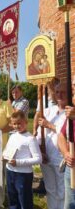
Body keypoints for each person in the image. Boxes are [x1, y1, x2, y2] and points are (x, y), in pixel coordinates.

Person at [3, 111, 42, 209]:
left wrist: (18, 162)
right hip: (10, 171)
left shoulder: (30, 139)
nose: (17, 126)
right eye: (14, 124)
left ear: (26, 122)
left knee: (25, 200)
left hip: (23, 175)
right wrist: (4, 156)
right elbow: (7, 150)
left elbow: (38, 159)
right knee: (12, 198)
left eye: (19, 123)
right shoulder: (12, 136)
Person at [36, 82, 66, 209]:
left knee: (62, 190)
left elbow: (67, 133)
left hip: (60, 158)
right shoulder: (48, 111)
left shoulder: (70, 112)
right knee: (50, 188)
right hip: (46, 156)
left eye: (63, 92)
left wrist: (50, 125)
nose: (59, 95)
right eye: (57, 92)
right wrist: (40, 151)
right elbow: (39, 133)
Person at [58, 76, 75, 209]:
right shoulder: (72, 111)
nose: (73, 88)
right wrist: (66, 153)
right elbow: (61, 136)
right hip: (71, 166)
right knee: (69, 204)